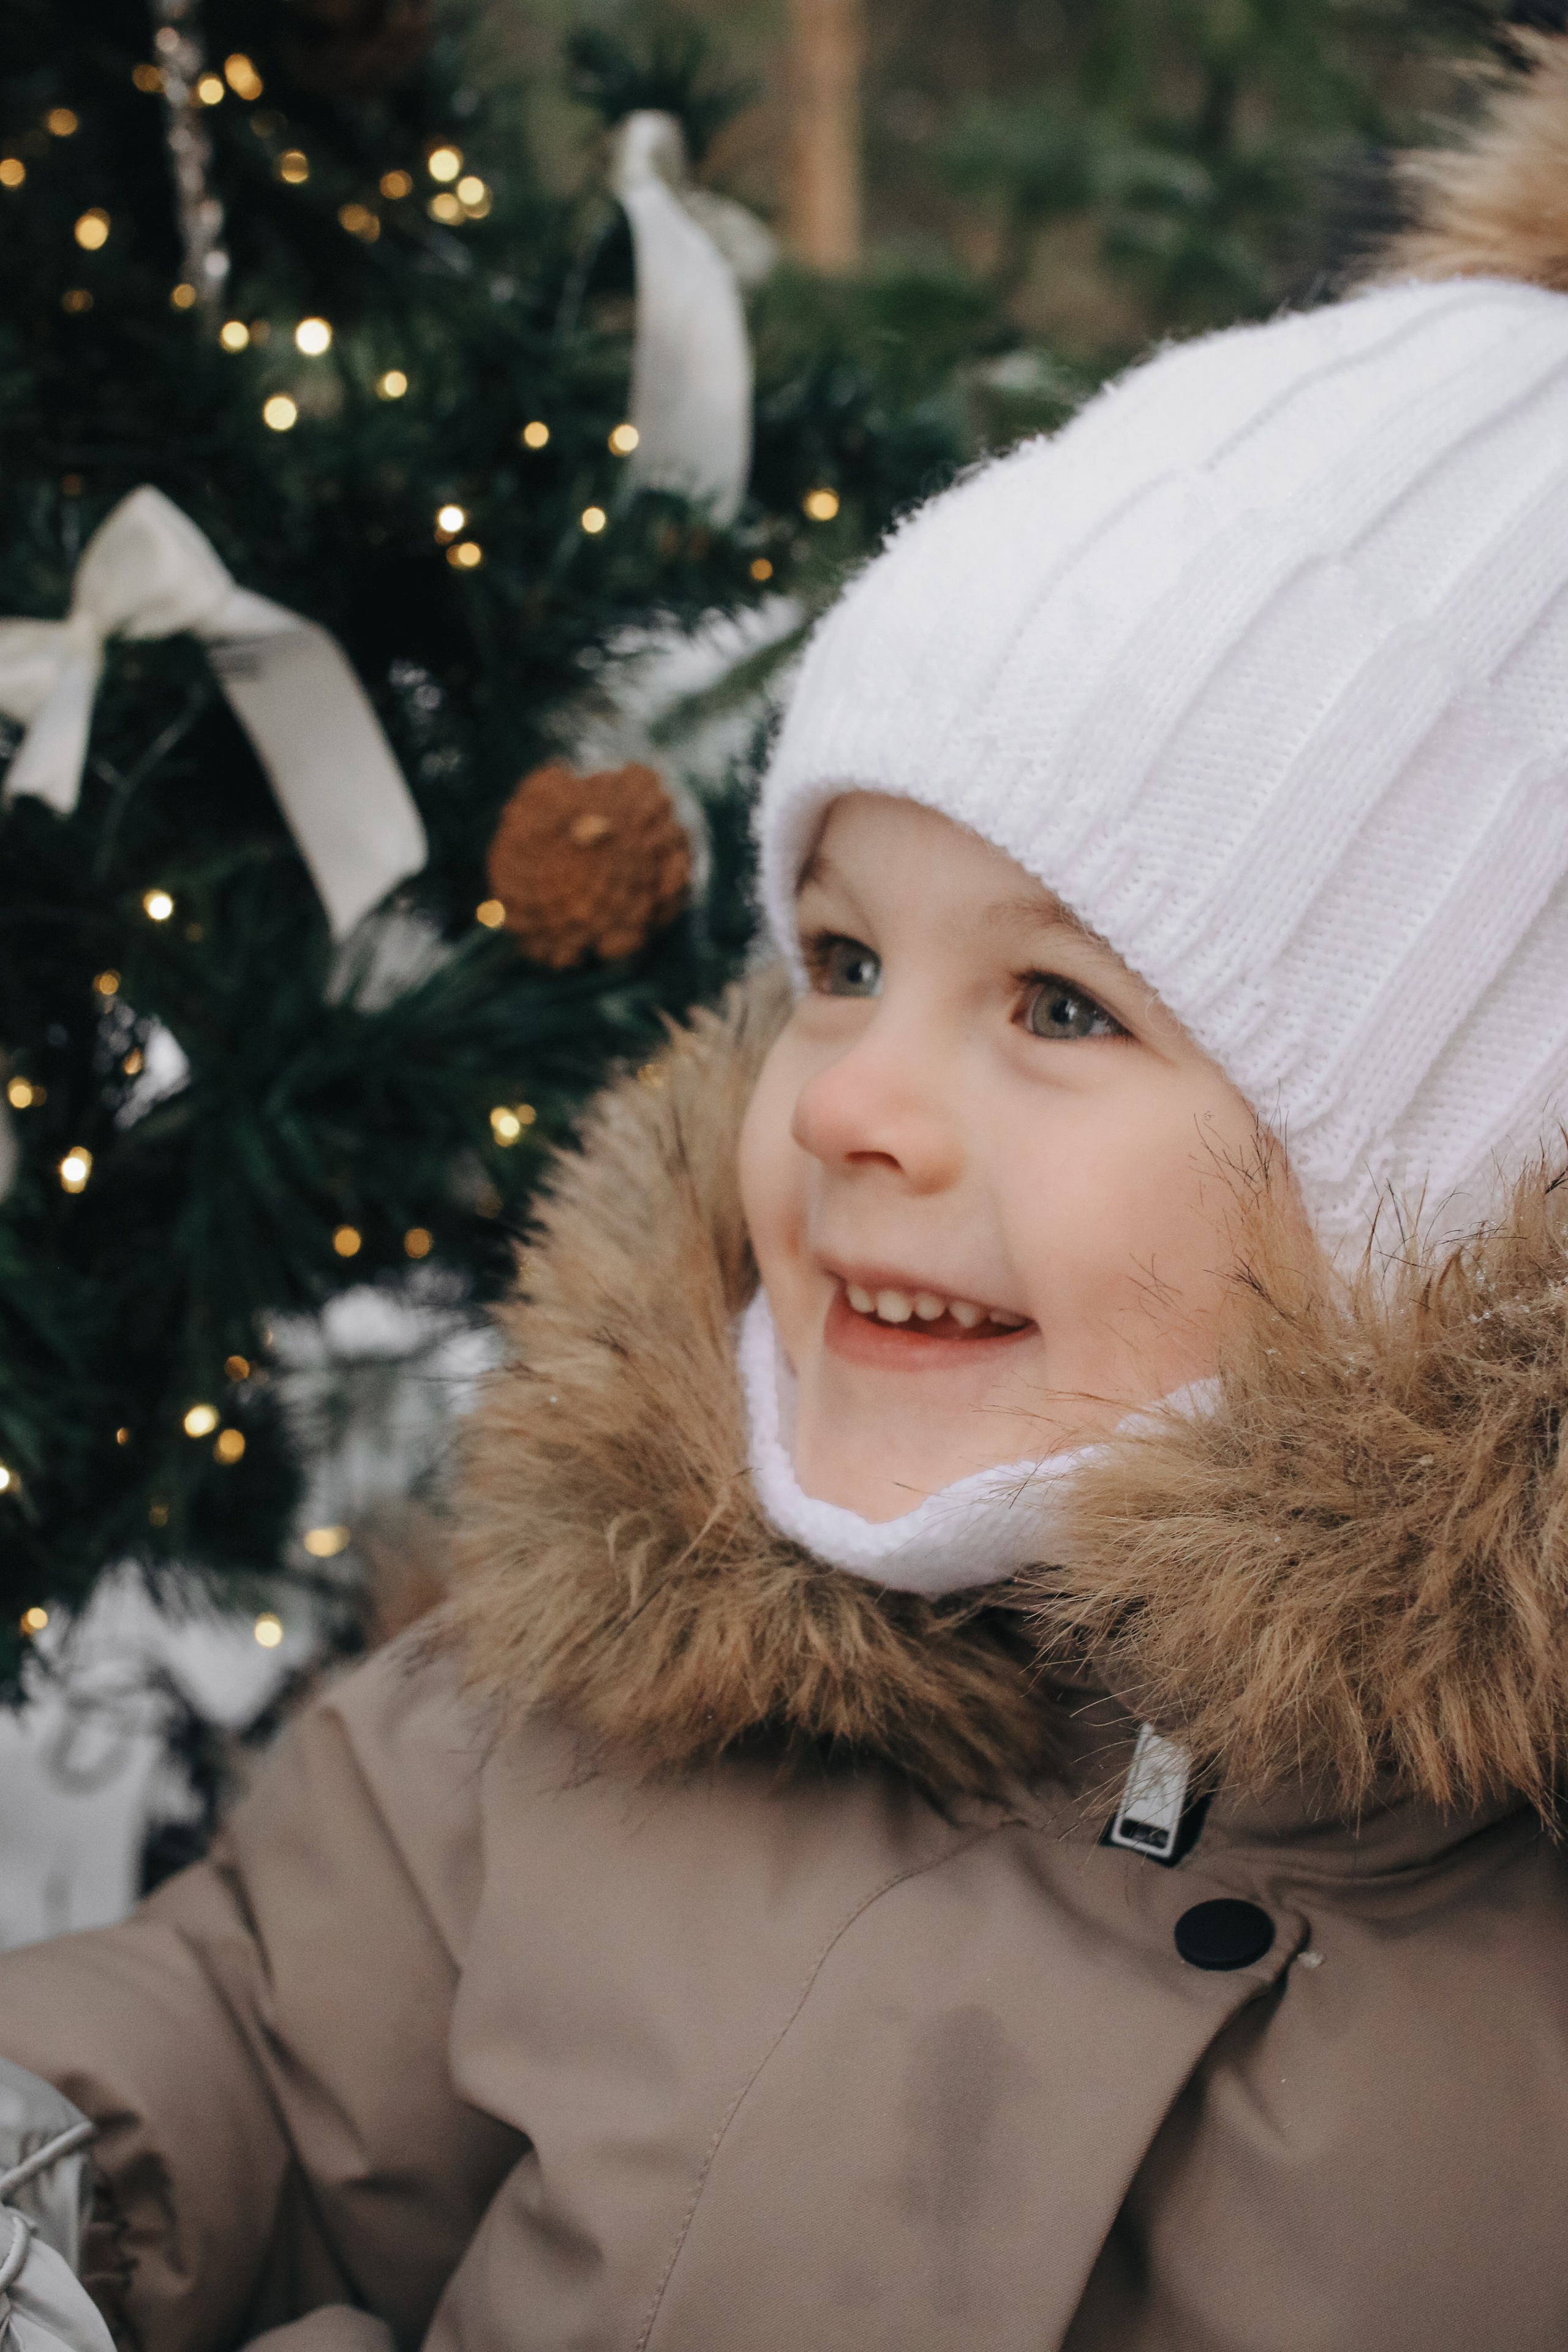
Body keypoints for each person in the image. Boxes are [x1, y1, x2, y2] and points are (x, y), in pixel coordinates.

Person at [6, 39, 1568, 2352]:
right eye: (839, 963)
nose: (851, 1107)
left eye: (1056, 1008)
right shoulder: (602, 1701)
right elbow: (243, 2031)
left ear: (1477, 1199)